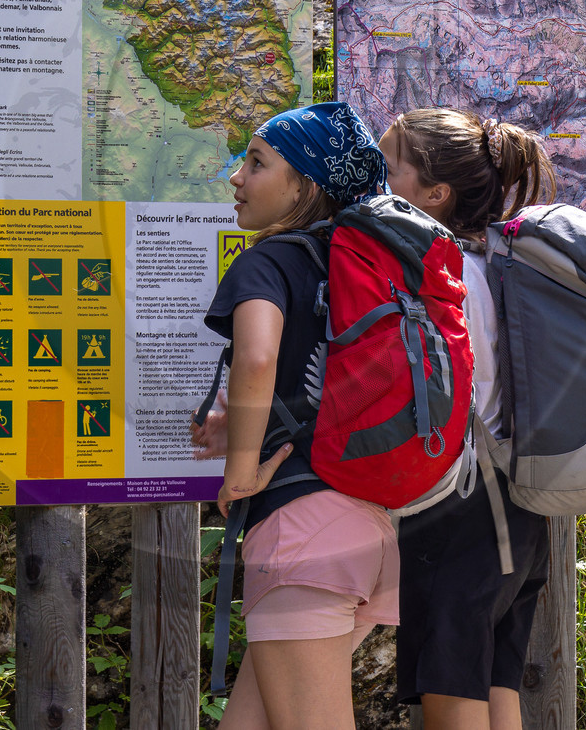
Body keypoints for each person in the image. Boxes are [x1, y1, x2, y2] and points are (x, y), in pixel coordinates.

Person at [191, 101, 394, 730]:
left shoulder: (267, 262)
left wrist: (239, 471)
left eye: (256, 163)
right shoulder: (366, 264)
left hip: (303, 535)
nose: (237, 177)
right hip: (372, 526)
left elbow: (256, 358)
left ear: (305, 185)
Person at [379, 108, 555, 730]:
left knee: (451, 695)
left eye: (388, 166)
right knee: (495, 685)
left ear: (436, 193)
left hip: (458, 507)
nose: (378, 181)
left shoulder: (440, 274)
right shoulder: (503, 265)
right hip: (520, 502)